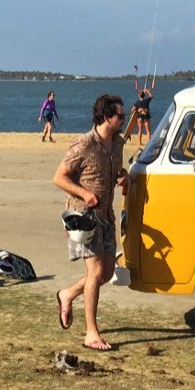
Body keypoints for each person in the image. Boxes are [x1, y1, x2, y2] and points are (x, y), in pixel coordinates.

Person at [52, 93, 127, 351]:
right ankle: (91, 333)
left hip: (107, 216)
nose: (124, 119)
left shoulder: (117, 144)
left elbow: (115, 170)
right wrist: (84, 193)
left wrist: (123, 176)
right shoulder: (83, 144)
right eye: (120, 116)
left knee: (106, 273)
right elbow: (59, 177)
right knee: (94, 272)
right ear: (106, 116)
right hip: (83, 218)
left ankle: (68, 294)